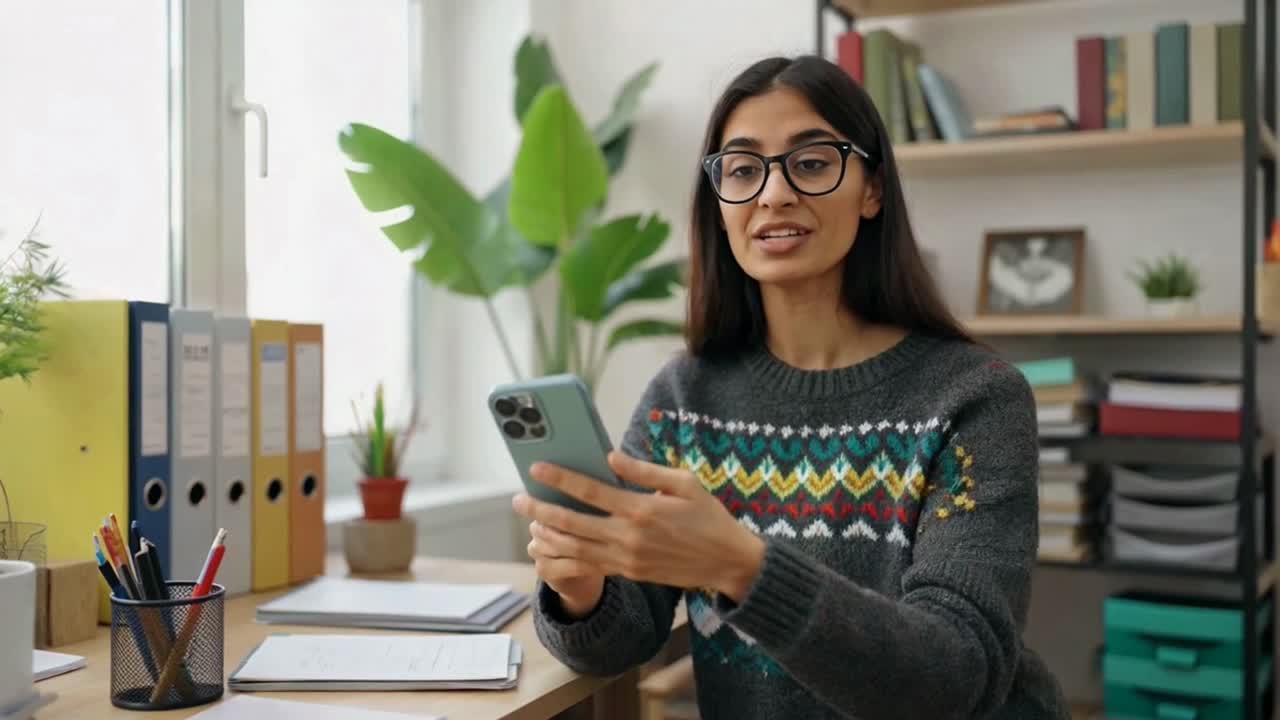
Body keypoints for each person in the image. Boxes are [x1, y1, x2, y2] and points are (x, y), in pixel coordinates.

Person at [511, 54, 1069, 720]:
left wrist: (742, 567)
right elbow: (623, 637)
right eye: (743, 170)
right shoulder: (683, 399)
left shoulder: (976, 400)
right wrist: (580, 590)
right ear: (720, 206)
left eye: (810, 163)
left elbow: (954, 677)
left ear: (872, 189)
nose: (773, 194)